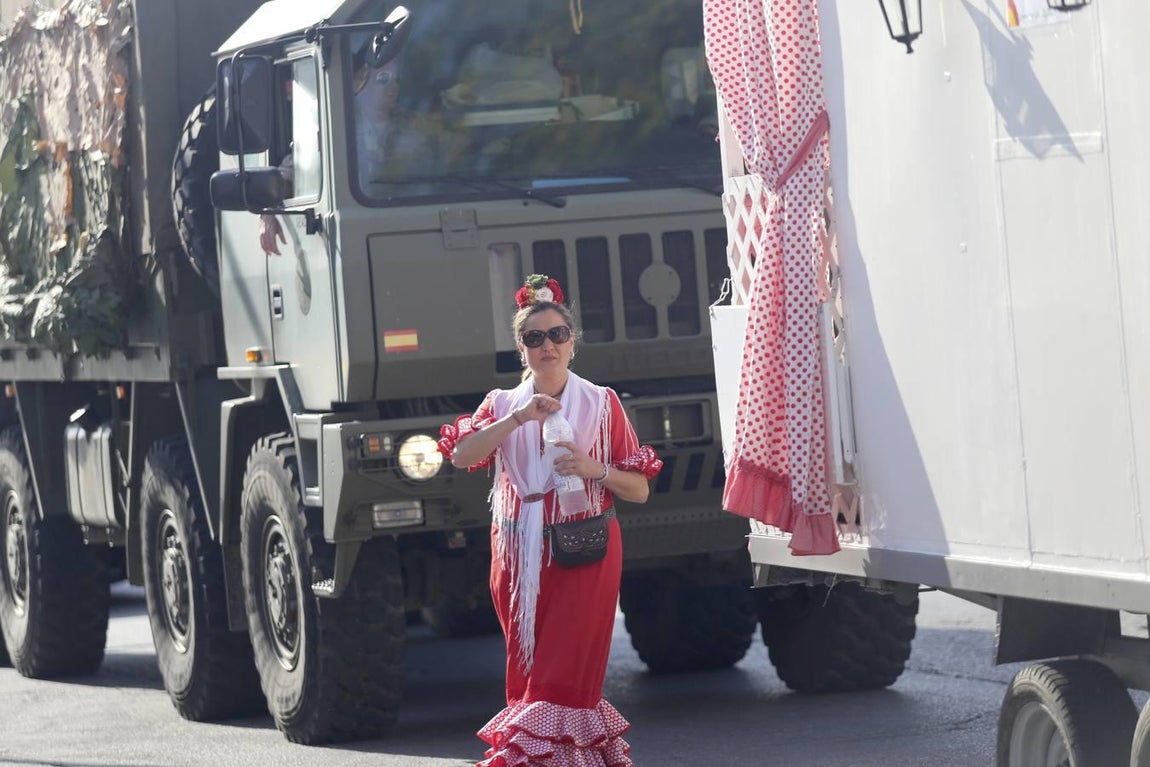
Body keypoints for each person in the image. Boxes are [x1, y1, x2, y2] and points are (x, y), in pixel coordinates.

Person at [437, 274, 662, 767]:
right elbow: (461, 455)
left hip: (584, 552)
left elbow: (639, 489)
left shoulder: (602, 402)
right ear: (521, 349)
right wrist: (519, 418)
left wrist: (594, 469)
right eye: (534, 337)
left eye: (557, 334)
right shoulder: (501, 404)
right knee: (529, 674)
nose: (547, 345)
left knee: (561, 679)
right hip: (517, 558)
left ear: (572, 341)